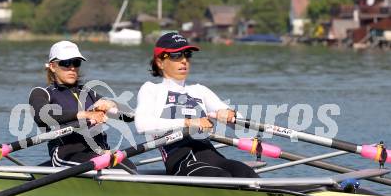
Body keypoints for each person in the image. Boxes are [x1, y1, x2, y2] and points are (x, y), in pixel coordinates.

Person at [135, 32, 258, 178]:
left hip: (211, 155)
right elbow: (142, 125)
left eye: (187, 55)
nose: (184, 60)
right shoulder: (151, 89)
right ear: (160, 62)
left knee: (245, 172)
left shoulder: (200, 90)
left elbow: (243, 128)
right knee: (221, 177)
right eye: (176, 55)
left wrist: (232, 115)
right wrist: (188, 122)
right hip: (180, 161)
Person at [29, 40, 133, 168]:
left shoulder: (88, 93)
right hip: (66, 154)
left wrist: (112, 103)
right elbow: (41, 115)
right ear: (52, 66)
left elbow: (129, 117)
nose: (72, 67)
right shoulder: (42, 93)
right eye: (65, 63)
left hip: (100, 153)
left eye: (76, 63)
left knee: (130, 167)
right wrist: (83, 115)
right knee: (110, 166)